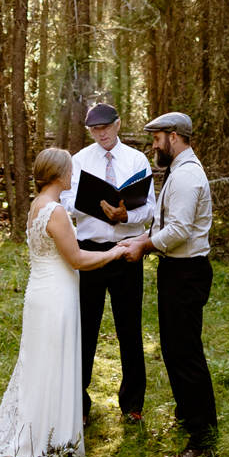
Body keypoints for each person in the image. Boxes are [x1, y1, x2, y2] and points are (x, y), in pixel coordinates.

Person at [0, 148, 129, 457]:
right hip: (56, 297)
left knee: (41, 364)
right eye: (70, 169)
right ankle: (52, 439)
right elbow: (77, 260)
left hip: (40, 293)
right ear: (59, 175)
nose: (73, 173)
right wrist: (114, 252)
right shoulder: (57, 212)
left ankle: (43, 430)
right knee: (55, 362)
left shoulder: (36, 207)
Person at [124, 113, 217, 457]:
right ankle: (190, 416)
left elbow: (178, 232)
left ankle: (202, 441)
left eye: (157, 138)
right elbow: (168, 226)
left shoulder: (187, 176)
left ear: (174, 137)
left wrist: (143, 247)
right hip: (176, 271)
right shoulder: (178, 172)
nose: (154, 146)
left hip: (186, 273)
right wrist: (141, 238)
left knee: (185, 354)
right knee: (176, 349)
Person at [59, 102, 156, 425]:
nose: (100, 133)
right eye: (94, 129)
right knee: (84, 327)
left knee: (129, 327)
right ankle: (80, 404)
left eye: (105, 127)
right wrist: (96, 207)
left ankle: (132, 405)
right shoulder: (80, 160)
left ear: (117, 124)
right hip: (89, 252)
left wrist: (127, 214)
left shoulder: (137, 159)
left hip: (127, 251)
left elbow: (150, 209)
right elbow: (66, 202)